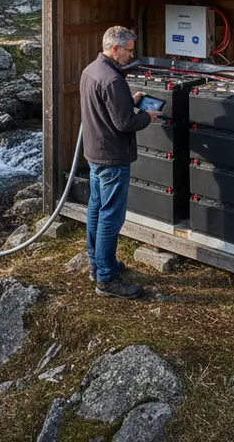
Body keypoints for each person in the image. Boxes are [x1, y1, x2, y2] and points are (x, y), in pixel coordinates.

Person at [79, 25, 159, 299]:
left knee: (96, 209)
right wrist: (148, 116)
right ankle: (106, 279)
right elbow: (125, 122)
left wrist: (130, 99)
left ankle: (98, 265)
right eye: (128, 51)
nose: (130, 56)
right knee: (111, 217)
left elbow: (107, 107)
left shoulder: (91, 70)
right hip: (113, 157)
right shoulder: (113, 80)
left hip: (95, 154)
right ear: (114, 48)